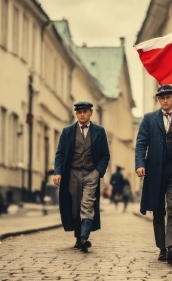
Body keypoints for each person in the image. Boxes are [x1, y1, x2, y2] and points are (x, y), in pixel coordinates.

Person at [135, 84, 172, 264]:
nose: (165, 100)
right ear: (158, 100)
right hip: (154, 172)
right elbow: (141, 144)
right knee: (158, 210)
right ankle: (162, 247)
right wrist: (140, 164)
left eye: (168, 97)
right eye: (162, 98)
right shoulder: (149, 119)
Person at [53, 101, 110, 252]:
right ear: (76, 114)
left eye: (85, 111)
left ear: (91, 112)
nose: (82, 114)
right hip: (72, 173)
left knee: (87, 204)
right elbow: (60, 154)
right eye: (79, 112)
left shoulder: (99, 131)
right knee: (75, 207)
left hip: (91, 172)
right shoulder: (67, 132)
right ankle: (79, 237)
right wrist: (58, 172)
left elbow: (105, 154)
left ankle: (85, 237)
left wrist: (98, 171)